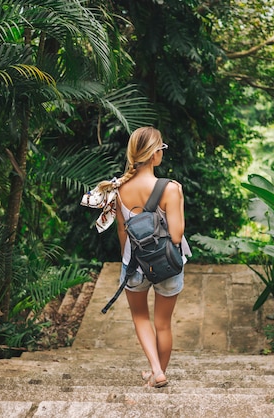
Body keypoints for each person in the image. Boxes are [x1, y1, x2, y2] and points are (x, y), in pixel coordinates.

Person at [95, 126, 191, 388]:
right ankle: (158, 372)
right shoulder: (170, 188)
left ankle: (155, 370)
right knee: (163, 324)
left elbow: (121, 233)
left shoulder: (119, 188)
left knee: (140, 317)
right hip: (168, 265)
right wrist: (178, 199)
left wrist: (129, 262)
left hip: (135, 265)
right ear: (155, 155)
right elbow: (177, 234)